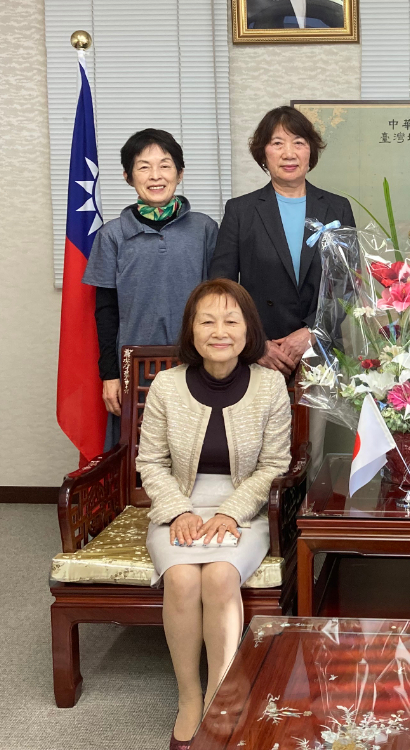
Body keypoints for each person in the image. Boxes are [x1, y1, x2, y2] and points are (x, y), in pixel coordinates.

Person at [135, 278, 292, 748]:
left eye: (230, 321)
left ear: (248, 330)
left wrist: (231, 511)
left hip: (246, 506)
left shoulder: (270, 385)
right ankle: (189, 697)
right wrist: (178, 510)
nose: (219, 331)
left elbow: (274, 466)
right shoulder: (166, 385)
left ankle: (221, 697)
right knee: (182, 578)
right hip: (178, 502)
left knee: (221, 576)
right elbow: (151, 462)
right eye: (207, 321)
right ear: (192, 329)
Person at [85, 129, 219, 451]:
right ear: (128, 176)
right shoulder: (112, 236)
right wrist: (110, 375)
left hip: (197, 361)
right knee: (138, 453)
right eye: (144, 167)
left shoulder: (205, 229)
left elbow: (221, 301)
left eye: (165, 165)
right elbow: (105, 311)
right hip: (136, 368)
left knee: (199, 448)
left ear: (180, 173)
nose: (155, 175)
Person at [212, 106, 355, 376]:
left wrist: (312, 331)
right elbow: (222, 287)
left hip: (321, 351)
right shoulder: (240, 211)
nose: (289, 153)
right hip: (259, 355)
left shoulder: (337, 208)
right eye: (277, 143)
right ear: (263, 153)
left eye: (298, 143)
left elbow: (346, 283)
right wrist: (255, 343)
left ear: (310, 151)